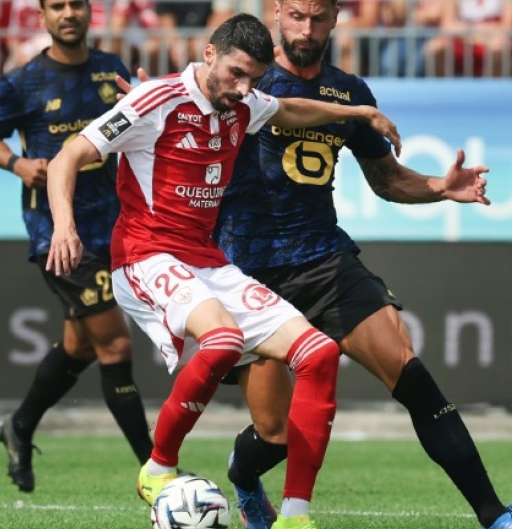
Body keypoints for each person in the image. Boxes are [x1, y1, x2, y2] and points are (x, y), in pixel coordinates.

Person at [45, 13, 401, 529]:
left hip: (206, 260)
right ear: (208, 54)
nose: (243, 88)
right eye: (235, 73)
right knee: (223, 340)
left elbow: (291, 109)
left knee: (319, 354)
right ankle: (158, 467)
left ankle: (296, 517)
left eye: (253, 78)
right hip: (145, 256)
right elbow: (68, 157)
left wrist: (359, 111)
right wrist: (64, 226)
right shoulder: (154, 100)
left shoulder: (243, 101)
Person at [212, 1, 512, 529]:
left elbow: (387, 180)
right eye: (297, 15)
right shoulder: (246, 77)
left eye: (319, 17)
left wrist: (440, 187)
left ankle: (496, 517)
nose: (307, 28)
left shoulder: (348, 91)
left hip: (323, 258)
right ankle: (243, 475)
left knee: (412, 375)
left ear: (336, 17)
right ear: (277, 11)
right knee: (274, 435)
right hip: (248, 271)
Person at [0, 0, 157, 494]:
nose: (68, 13)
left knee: (81, 344)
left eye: (77, 4)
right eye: (57, 5)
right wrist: (17, 164)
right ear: (42, 17)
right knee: (115, 344)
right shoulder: (21, 81)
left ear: (89, 13)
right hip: (56, 230)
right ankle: (158, 472)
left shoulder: (110, 69)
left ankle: (20, 424)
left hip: (114, 225)